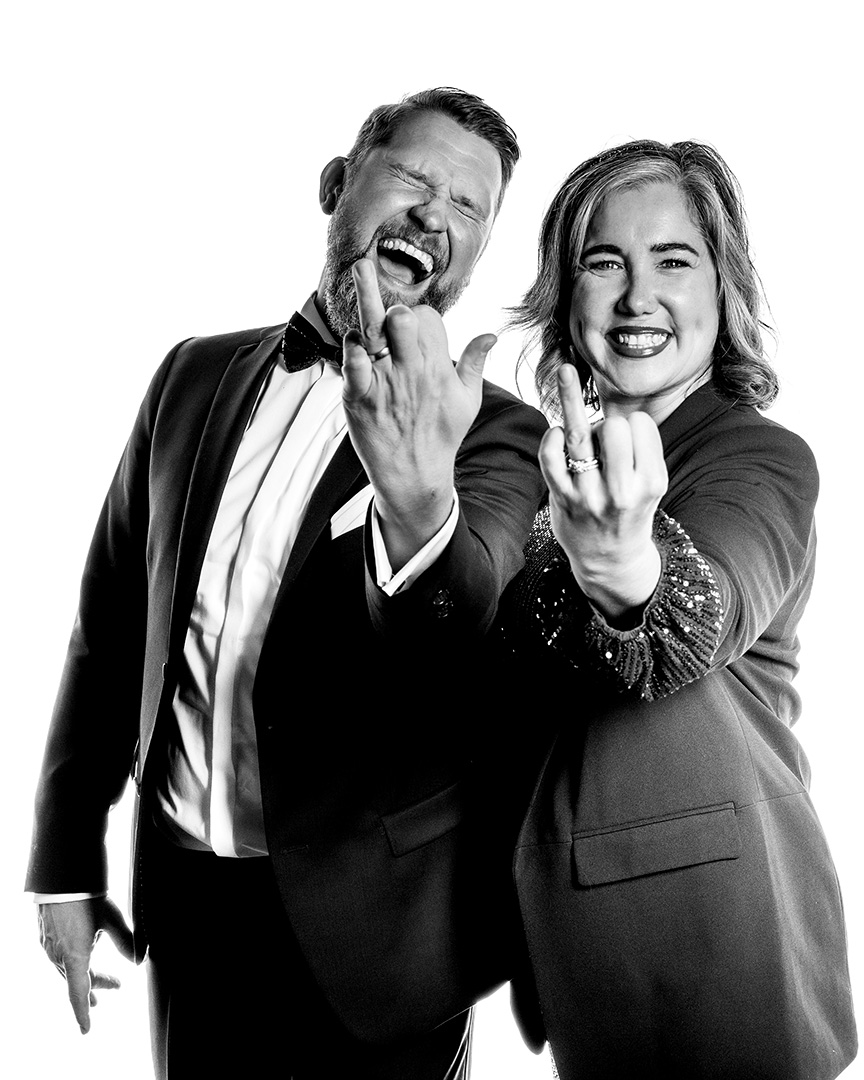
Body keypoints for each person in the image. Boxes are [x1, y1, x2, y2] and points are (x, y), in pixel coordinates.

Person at [26, 87, 548, 1079]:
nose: (435, 214)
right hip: (190, 908)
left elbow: (464, 619)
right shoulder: (192, 376)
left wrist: (417, 499)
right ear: (336, 185)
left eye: (469, 207)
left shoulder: (500, 435)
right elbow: (110, 624)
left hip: (380, 939)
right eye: (414, 177)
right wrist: (64, 863)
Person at [501, 140, 858, 1077]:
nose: (637, 297)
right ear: (564, 295)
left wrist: (622, 563)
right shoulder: (544, 467)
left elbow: (699, 617)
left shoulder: (760, 460)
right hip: (581, 955)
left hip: (722, 956)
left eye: (673, 261)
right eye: (604, 262)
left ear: (722, 290)